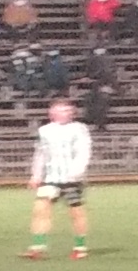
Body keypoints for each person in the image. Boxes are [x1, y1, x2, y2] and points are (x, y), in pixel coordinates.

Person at [23, 95, 95, 258]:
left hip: (71, 179)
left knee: (76, 213)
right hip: (51, 178)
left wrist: (76, 172)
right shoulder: (44, 131)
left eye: (69, 110)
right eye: (62, 110)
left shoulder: (79, 128)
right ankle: (38, 247)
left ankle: (80, 247)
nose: (67, 113)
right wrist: (36, 175)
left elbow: (84, 152)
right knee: (40, 209)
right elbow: (40, 154)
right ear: (52, 113)